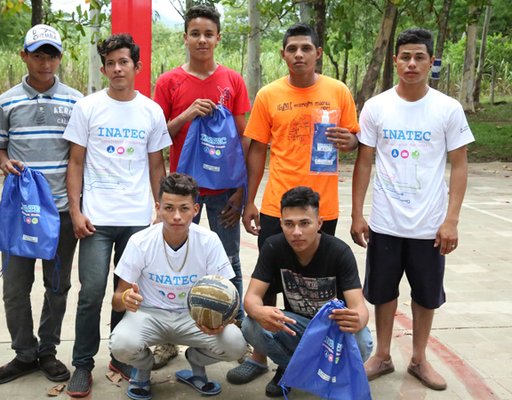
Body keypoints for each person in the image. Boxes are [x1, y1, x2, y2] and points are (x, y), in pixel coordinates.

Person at [228, 23, 360, 394]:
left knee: (313, 288)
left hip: (322, 207)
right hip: (278, 206)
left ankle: (303, 360)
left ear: (318, 52)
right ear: (283, 54)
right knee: (268, 284)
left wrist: (348, 140)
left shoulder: (338, 91)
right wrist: (250, 199)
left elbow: (353, 139)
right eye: (291, 49)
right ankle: (259, 356)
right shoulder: (270, 95)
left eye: (306, 48)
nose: (299, 54)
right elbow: (258, 150)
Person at [351, 27, 473, 391]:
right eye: (405, 56)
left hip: (430, 225)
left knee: (425, 294)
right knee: (383, 293)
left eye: (420, 56)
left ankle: (419, 359)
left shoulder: (447, 108)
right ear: (395, 61)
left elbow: (461, 165)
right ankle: (383, 355)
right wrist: (358, 214)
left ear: (431, 62)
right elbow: (364, 161)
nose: (412, 63)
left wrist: (451, 220)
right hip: (386, 223)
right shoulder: (376, 107)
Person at [63, 33, 171, 398]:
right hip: (96, 219)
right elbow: (75, 161)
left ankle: (120, 354)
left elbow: (157, 165)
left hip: (138, 219)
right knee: (92, 292)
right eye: (110, 63)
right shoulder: (88, 107)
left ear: (137, 67)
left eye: (123, 62)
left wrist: (159, 210)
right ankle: (81, 363)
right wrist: (75, 210)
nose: (117, 68)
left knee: (127, 293)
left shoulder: (151, 110)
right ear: (104, 67)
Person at [152, 4, 251, 368]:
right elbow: (159, 135)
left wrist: (241, 189)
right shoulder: (169, 82)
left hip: (224, 190)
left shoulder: (233, 80)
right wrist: (188, 113)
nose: (202, 40)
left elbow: (244, 139)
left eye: (208, 34)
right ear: (185, 37)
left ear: (218, 38)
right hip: (182, 192)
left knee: (230, 261)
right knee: (173, 264)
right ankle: (166, 339)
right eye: (195, 33)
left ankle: (234, 330)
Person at [0, 24, 83, 385]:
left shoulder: (75, 101)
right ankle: (24, 353)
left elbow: (79, 157)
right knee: (14, 287)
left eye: (52, 54)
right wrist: (3, 161)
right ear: (24, 55)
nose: (46, 62)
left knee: (57, 286)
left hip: (59, 211)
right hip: (20, 213)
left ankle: (48, 351)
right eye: (38, 54)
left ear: (60, 58)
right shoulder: (6, 101)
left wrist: (76, 208)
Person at [109, 173, 247, 399]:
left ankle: (196, 360)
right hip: (150, 314)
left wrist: (222, 321)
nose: (176, 216)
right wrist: (125, 299)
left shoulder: (209, 241)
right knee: (121, 344)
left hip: (194, 316)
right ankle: (143, 369)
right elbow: (116, 299)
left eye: (184, 208)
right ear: (158, 208)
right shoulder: (140, 241)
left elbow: (228, 297)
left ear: (195, 209)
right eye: (169, 208)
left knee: (236, 344)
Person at [240, 186, 373, 398]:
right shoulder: (273, 246)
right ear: (281, 223)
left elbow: (359, 307)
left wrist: (358, 319)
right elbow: (252, 297)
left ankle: (327, 376)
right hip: (296, 325)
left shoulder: (339, 252)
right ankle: (292, 370)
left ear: (319, 223)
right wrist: (259, 311)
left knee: (363, 341)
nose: (297, 232)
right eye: (289, 224)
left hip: (330, 328)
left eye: (305, 223)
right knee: (251, 325)